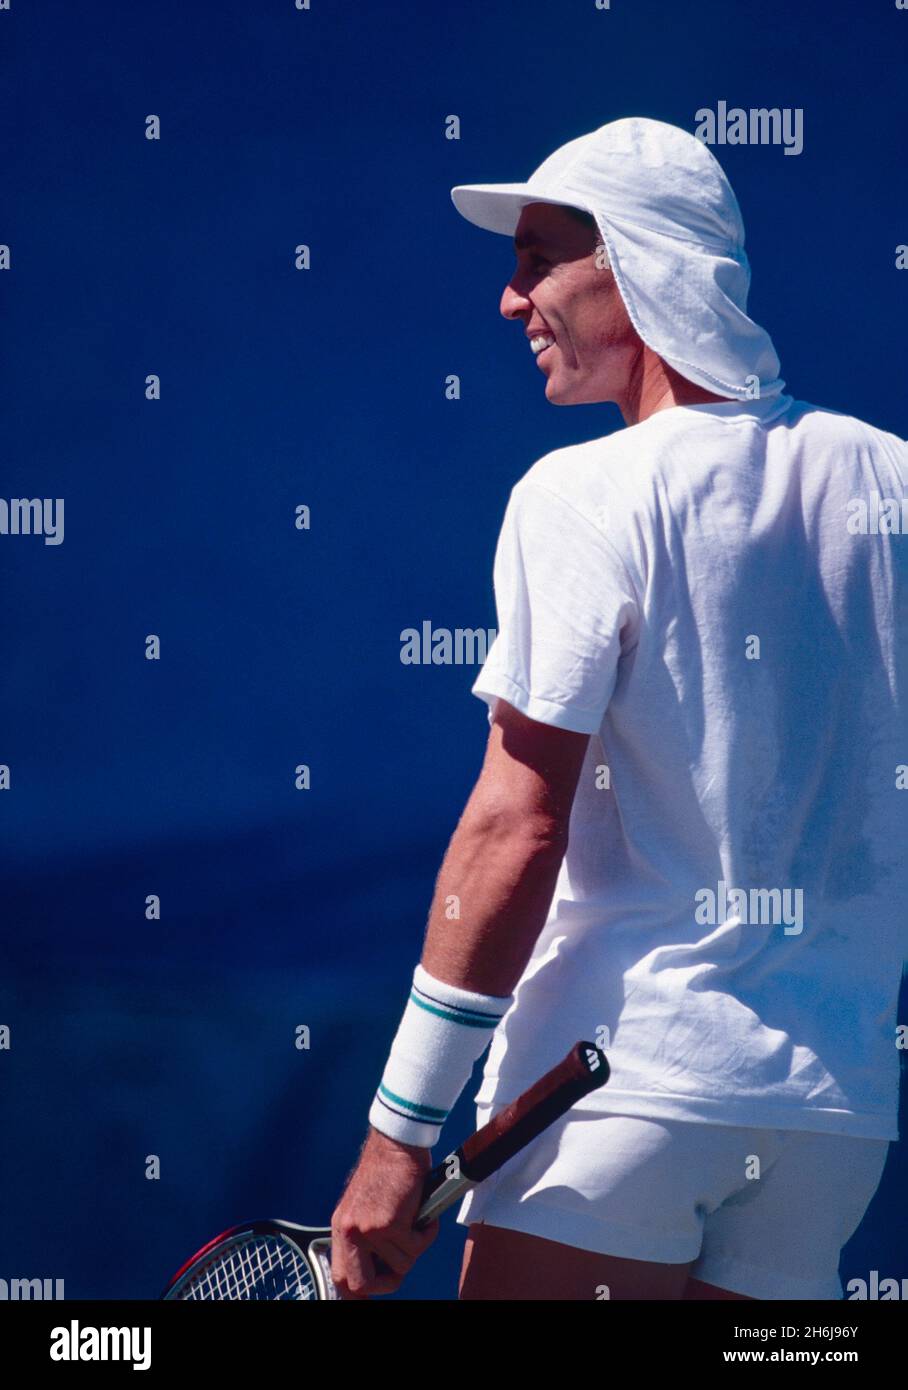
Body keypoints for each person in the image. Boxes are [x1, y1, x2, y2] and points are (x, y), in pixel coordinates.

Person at [330, 117, 908, 1301]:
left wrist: (398, 1132)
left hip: (610, 1110)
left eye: (536, 258)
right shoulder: (889, 480)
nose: (508, 300)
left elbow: (514, 827)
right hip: (825, 1132)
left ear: (633, 261)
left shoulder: (576, 493)